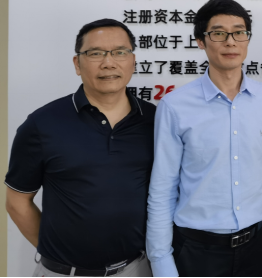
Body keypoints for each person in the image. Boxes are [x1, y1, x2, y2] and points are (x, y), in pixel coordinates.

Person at [146, 0, 262, 277]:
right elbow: (163, 187)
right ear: (201, 41)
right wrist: (161, 261)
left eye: (239, 32)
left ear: (248, 39)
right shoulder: (175, 106)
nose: (230, 41)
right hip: (196, 252)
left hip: (256, 246)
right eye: (219, 33)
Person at [5, 19, 156, 277]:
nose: (109, 62)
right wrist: (58, 258)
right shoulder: (43, 123)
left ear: (133, 60)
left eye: (120, 52)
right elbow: (17, 202)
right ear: (77, 64)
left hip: (137, 268)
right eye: (96, 53)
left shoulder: (155, 120)